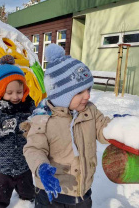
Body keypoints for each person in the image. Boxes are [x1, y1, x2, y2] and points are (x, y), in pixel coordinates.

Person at [22, 44, 111, 208]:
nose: (88, 96)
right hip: (51, 194)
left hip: (83, 193)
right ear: (61, 96)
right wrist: (41, 167)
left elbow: (104, 129)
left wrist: (122, 128)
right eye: (79, 92)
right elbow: (33, 149)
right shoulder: (43, 119)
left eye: (88, 89)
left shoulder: (90, 111)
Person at [0, 55, 36, 208]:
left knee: (29, 193)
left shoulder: (29, 107)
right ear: (0, 91)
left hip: (24, 163)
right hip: (1, 165)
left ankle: (27, 202)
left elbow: (39, 126)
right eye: (9, 93)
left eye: (19, 91)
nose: (15, 96)